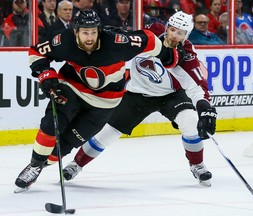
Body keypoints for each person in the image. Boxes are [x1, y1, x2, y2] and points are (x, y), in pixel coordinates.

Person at [14, 9, 182, 193]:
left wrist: (169, 56)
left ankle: (43, 162)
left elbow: (149, 39)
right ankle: (34, 166)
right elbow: (37, 52)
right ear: (76, 31)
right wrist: (46, 75)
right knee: (52, 122)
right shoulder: (64, 40)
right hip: (72, 88)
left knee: (66, 145)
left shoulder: (117, 43)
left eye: (94, 32)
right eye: (85, 32)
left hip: (105, 102)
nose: (90, 37)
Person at [63, 11, 217, 187]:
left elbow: (197, 85)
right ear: (167, 27)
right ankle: (76, 164)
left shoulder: (187, 55)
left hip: (171, 95)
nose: (174, 35)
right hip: (136, 94)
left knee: (190, 121)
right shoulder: (151, 33)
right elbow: (125, 40)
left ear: (186, 36)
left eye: (180, 33)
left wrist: (205, 108)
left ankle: (197, 164)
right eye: (172, 30)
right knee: (107, 134)